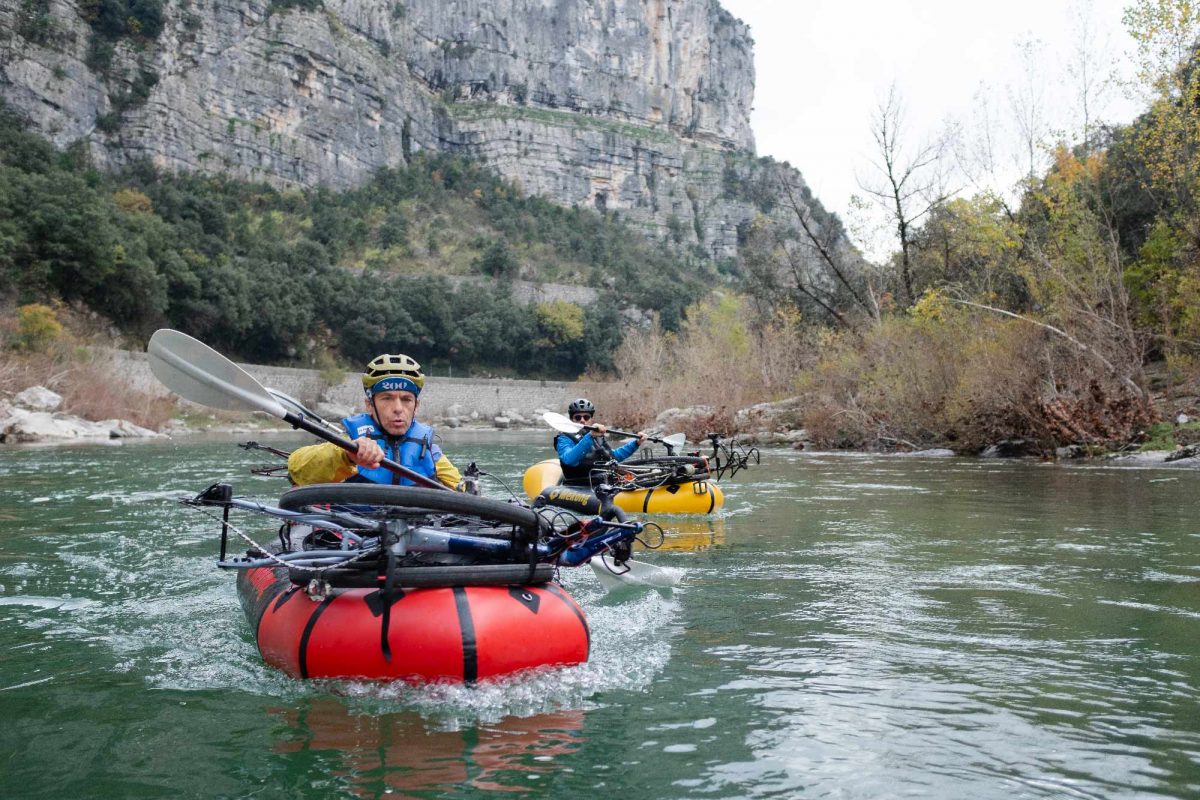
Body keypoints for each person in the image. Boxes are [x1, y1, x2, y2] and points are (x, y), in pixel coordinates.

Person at [288, 353, 463, 489]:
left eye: (406, 399)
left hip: (416, 528)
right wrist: (348, 456)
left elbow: (462, 491)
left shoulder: (429, 449)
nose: (398, 408)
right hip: (354, 528)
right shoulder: (347, 442)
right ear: (370, 405)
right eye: (387, 398)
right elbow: (295, 469)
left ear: (416, 406)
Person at [554, 398, 646, 485]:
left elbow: (613, 456)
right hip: (579, 483)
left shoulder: (597, 435)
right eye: (578, 418)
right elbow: (569, 460)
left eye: (586, 417)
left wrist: (636, 443)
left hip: (602, 480)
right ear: (572, 420)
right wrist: (590, 436)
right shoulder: (564, 437)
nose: (582, 421)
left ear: (591, 419)